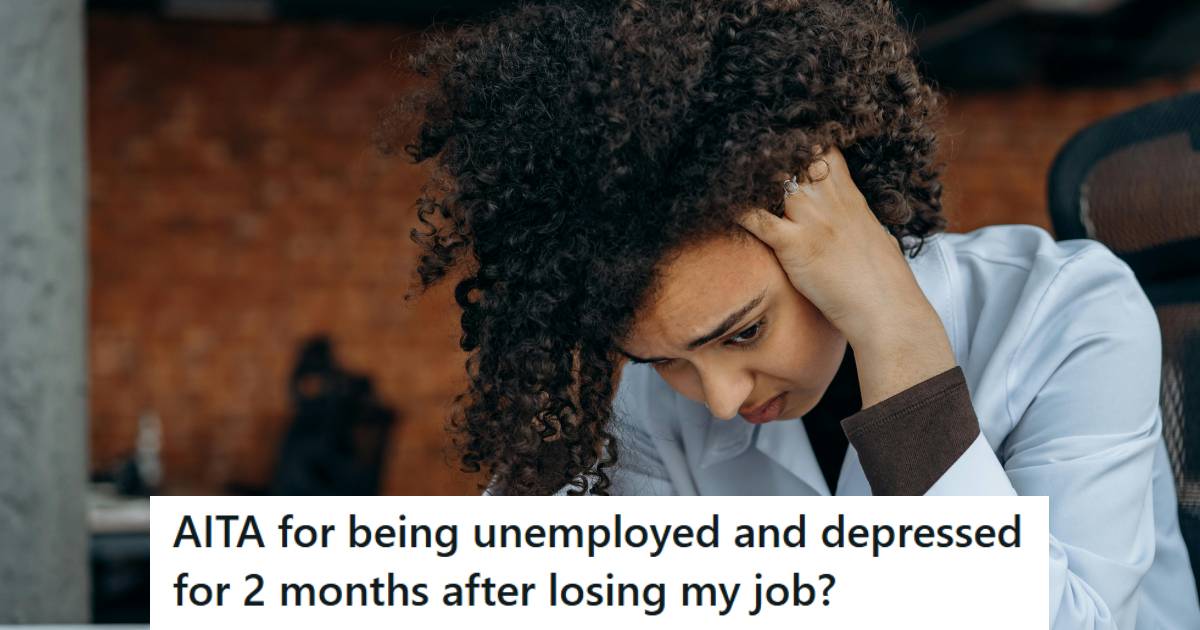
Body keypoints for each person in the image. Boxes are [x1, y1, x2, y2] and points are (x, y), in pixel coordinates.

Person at [386, 1, 1200, 626]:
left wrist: (896, 330)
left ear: (837, 219)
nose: (717, 398)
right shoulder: (659, 401)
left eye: (745, 332)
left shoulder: (1067, 312)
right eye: (663, 359)